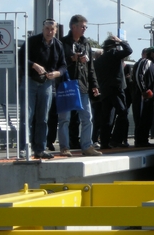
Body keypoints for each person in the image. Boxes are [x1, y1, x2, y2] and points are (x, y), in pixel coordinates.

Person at [18, 19, 66, 159]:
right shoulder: (32, 41)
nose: (49, 32)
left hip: (47, 83)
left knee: (43, 118)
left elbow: (63, 66)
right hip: (30, 81)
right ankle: (23, 148)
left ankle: (40, 148)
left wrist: (57, 73)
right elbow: (20, 58)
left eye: (52, 29)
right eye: (47, 29)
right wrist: (34, 65)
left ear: (56, 30)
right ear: (42, 28)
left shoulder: (58, 45)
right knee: (27, 116)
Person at [57, 14, 102, 157]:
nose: (84, 29)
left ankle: (86, 146)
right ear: (73, 27)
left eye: (85, 27)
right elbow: (59, 62)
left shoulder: (86, 43)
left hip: (83, 84)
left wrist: (94, 84)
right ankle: (64, 147)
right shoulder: (62, 43)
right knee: (65, 118)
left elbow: (91, 67)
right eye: (82, 26)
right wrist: (72, 58)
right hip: (67, 84)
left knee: (87, 117)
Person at [95, 35, 133, 149]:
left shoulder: (98, 61)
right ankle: (116, 139)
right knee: (123, 113)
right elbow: (129, 50)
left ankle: (105, 143)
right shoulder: (113, 55)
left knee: (106, 117)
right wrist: (121, 41)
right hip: (116, 89)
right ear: (113, 46)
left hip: (105, 90)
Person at [131, 47, 154, 147]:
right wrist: (144, 91)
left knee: (148, 119)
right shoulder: (145, 61)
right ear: (151, 53)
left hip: (151, 98)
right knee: (142, 118)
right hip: (144, 97)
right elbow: (138, 75)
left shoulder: (152, 64)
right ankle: (139, 140)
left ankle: (143, 140)